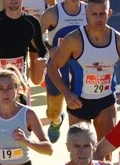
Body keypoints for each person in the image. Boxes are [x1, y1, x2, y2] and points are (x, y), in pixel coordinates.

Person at [45, 0, 120, 139]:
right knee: (80, 155)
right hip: (79, 102)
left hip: (106, 102)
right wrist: (67, 94)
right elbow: (52, 67)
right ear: (87, 13)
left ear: (109, 13)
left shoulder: (118, 40)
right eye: (94, 14)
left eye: (102, 14)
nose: (98, 18)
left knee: (104, 155)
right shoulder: (74, 39)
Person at [0, 0, 48, 107]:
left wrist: (43, 60)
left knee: (22, 120)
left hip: (19, 84)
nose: (13, 1)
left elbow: (42, 49)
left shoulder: (32, 22)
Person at [39, 0, 85, 140]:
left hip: (82, 69)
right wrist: (48, 51)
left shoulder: (90, 11)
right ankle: (56, 120)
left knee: (82, 115)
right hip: (58, 69)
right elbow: (33, 37)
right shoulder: (52, 13)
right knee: (53, 113)